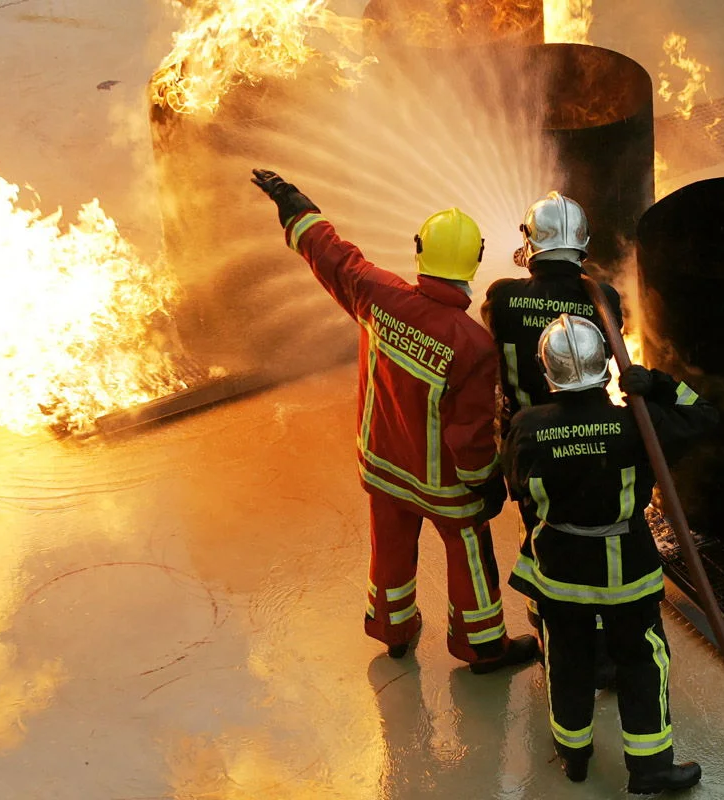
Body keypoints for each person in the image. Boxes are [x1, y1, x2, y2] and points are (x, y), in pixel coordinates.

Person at [251, 167, 539, 673]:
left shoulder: (378, 294)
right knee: (469, 552)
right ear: (473, 261)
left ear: (419, 249)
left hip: (382, 465)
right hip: (445, 488)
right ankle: (482, 647)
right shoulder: (471, 344)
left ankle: (393, 631)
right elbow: (469, 436)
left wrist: (293, 205)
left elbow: (332, 256)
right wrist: (487, 484)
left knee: (390, 550)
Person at [504, 314, 717, 794]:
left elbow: (516, 487)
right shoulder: (635, 423)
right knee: (643, 660)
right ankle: (650, 769)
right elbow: (704, 416)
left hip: (557, 567)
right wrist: (658, 385)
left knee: (567, 657)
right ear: (606, 368)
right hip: (627, 569)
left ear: (547, 373)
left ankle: (574, 756)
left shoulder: (527, 427)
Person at [482, 191, 624, 686]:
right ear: (582, 246)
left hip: (529, 444)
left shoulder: (502, 297)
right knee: (597, 532)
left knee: (541, 536)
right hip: (594, 437)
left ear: (529, 244)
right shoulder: (602, 298)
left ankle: (551, 626)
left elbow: (500, 327)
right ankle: (605, 642)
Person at [481, 191, 623, 438]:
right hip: (593, 432)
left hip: (525, 435)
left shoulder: (502, 296)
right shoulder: (604, 298)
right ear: (583, 238)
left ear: (529, 239)